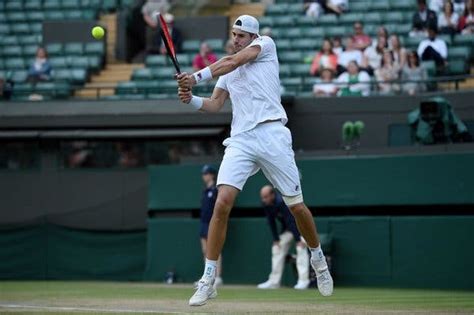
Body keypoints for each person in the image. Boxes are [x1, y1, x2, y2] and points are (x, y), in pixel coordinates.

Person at [177, 14, 333, 306]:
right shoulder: (226, 70)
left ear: (252, 37)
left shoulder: (265, 46)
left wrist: (195, 77)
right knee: (222, 202)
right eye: (233, 34)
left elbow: (232, 61)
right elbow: (214, 104)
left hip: (273, 134)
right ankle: (209, 278)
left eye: (240, 35)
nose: (235, 39)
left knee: (297, 207)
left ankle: (318, 259)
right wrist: (192, 100)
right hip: (241, 140)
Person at [257, 185, 310, 290]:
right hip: (288, 230)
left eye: (266, 197)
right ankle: (274, 281)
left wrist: (298, 240)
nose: (264, 200)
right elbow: (271, 221)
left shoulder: (282, 202)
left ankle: (303, 281)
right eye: (262, 197)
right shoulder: (266, 204)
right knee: (277, 248)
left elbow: (291, 221)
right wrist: (276, 239)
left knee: (301, 248)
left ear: (272, 194)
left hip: (301, 228)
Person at [198, 164, 223, 287]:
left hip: (212, 223)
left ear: (212, 175)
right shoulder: (205, 190)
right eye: (203, 174)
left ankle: (217, 277)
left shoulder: (216, 190)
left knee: (215, 250)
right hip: (203, 223)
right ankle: (207, 277)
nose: (204, 176)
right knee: (205, 251)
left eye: (206, 173)